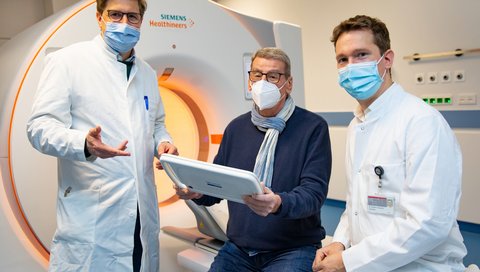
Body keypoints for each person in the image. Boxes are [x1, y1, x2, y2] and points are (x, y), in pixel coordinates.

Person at [26, 0, 178, 271]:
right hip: (94, 215)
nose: (124, 23)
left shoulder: (146, 72)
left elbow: (156, 123)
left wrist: (164, 143)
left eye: (132, 17)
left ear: (141, 22)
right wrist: (83, 144)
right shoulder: (67, 61)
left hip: (141, 214)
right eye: (115, 14)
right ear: (99, 18)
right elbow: (39, 128)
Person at [312, 15, 467, 272]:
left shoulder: (421, 122)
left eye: (361, 54)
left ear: (387, 59)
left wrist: (350, 261)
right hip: (370, 263)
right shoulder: (357, 125)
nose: (351, 66)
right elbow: (356, 205)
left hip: (421, 267)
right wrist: (340, 242)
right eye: (343, 59)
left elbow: (428, 224)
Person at [174, 47, 332, 271]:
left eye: (273, 76)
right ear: (249, 81)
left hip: (293, 248)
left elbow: (313, 194)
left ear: (289, 83)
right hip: (239, 249)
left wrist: (278, 202)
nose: (263, 82)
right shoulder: (236, 128)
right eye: (257, 75)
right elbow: (218, 185)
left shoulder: (313, 128)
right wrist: (197, 192)